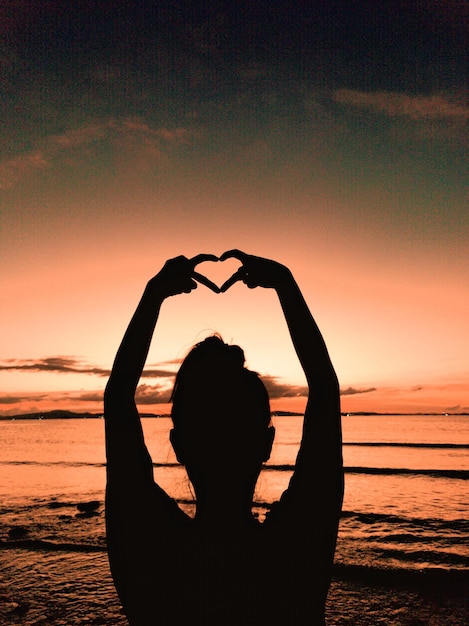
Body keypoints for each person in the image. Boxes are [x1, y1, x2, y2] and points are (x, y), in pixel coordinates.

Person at [105, 250, 344, 626]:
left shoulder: (154, 555)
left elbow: (118, 400)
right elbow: (326, 393)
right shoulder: (293, 555)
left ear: (178, 444)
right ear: (266, 444)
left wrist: (154, 294)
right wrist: (284, 283)